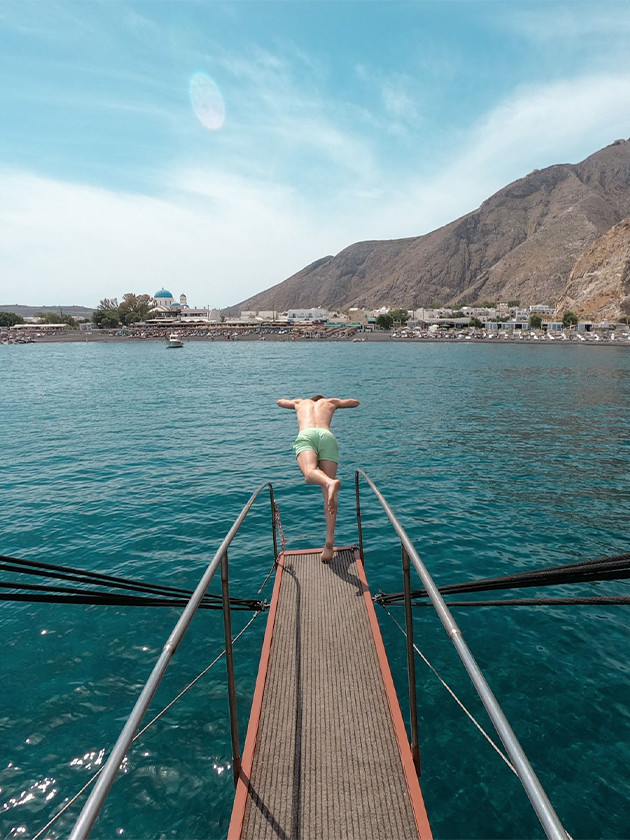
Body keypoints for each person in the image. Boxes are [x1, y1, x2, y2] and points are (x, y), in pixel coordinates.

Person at [277, 395, 360, 562]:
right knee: (328, 496)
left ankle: (330, 483)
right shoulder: (330, 402)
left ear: (311, 399)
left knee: (309, 473)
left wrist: (294, 402)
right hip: (326, 435)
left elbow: (280, 402)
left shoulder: (300, 402)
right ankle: (329, 542)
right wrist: (337, 403)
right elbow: (354, 402)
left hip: (307, 434)